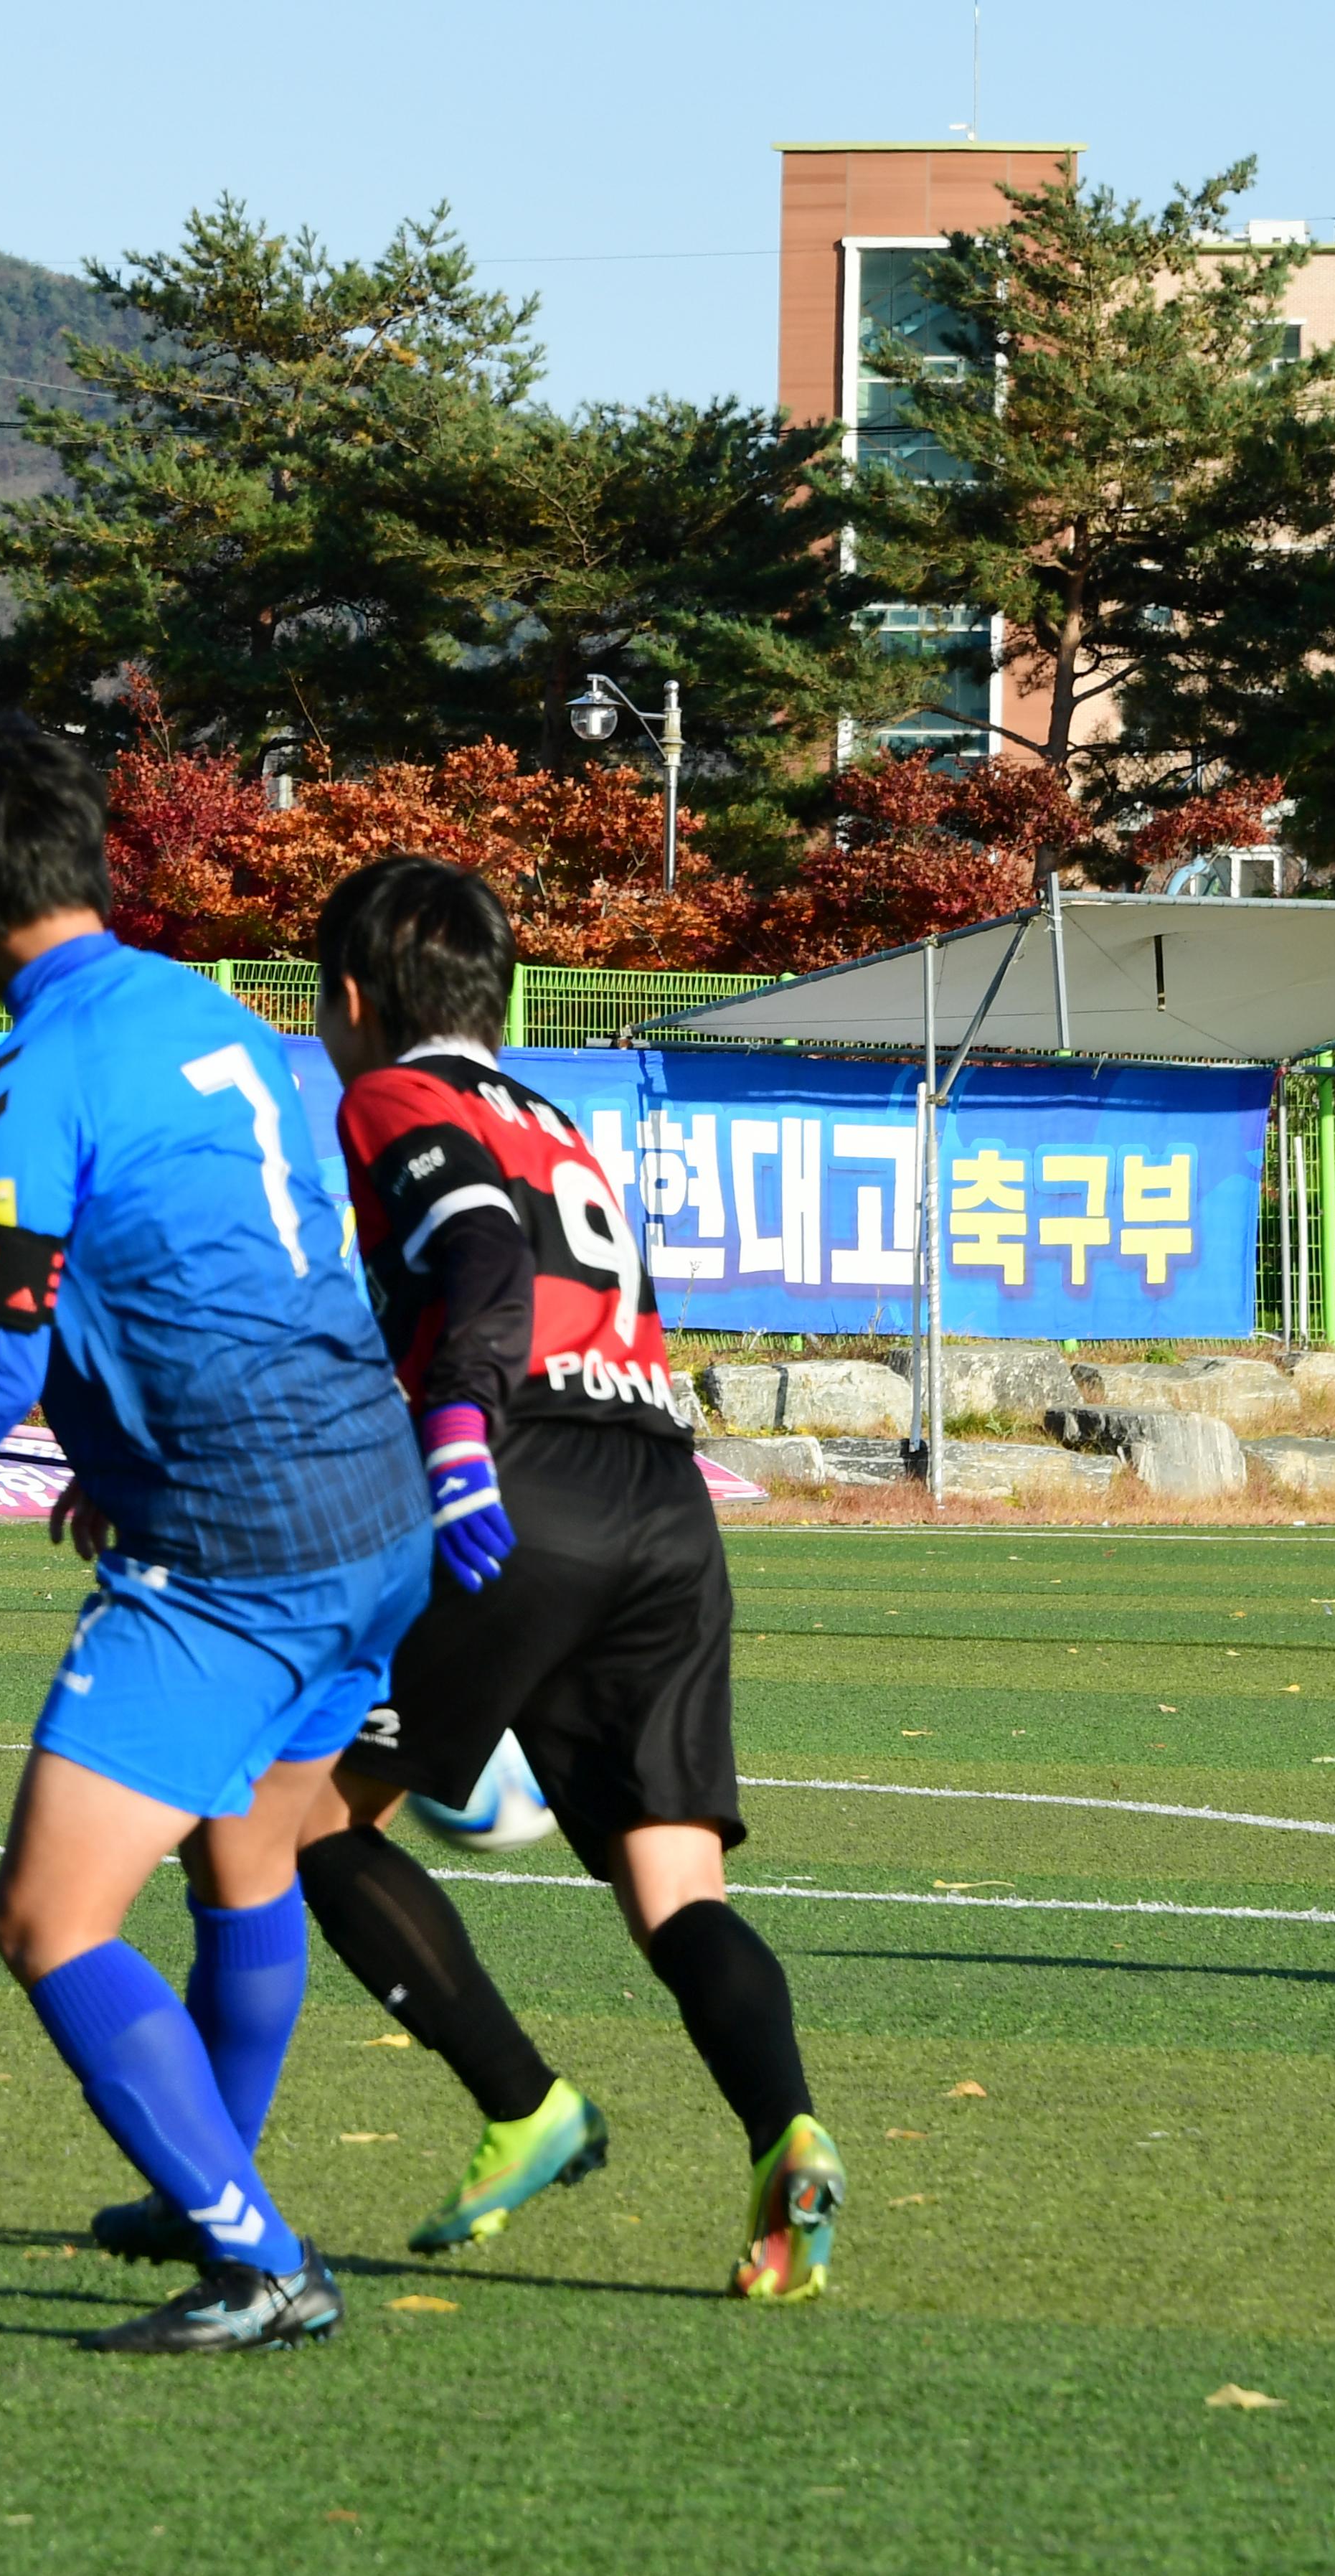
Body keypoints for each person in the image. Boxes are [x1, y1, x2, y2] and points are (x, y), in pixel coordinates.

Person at [0, 714, 433, 2356]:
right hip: (376, 1504)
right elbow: (226, 1266)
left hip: (238, 1541)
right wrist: (122, 1441)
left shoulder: (28, 1082)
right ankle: (217, 2177)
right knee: (247, 1847)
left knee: (46, 1920)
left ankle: (258, 2259)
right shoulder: (222, 1015)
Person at [269, 855, 841, 2301]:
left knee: (295, 1822)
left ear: (348, 998)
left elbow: (474, 1254)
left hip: (519, 1483)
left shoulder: (390, 1095)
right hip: (666, 1497)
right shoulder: (555, 1116)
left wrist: (456, 1425)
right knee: (675, 1882)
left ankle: (525, 2101)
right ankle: (788, 2130)